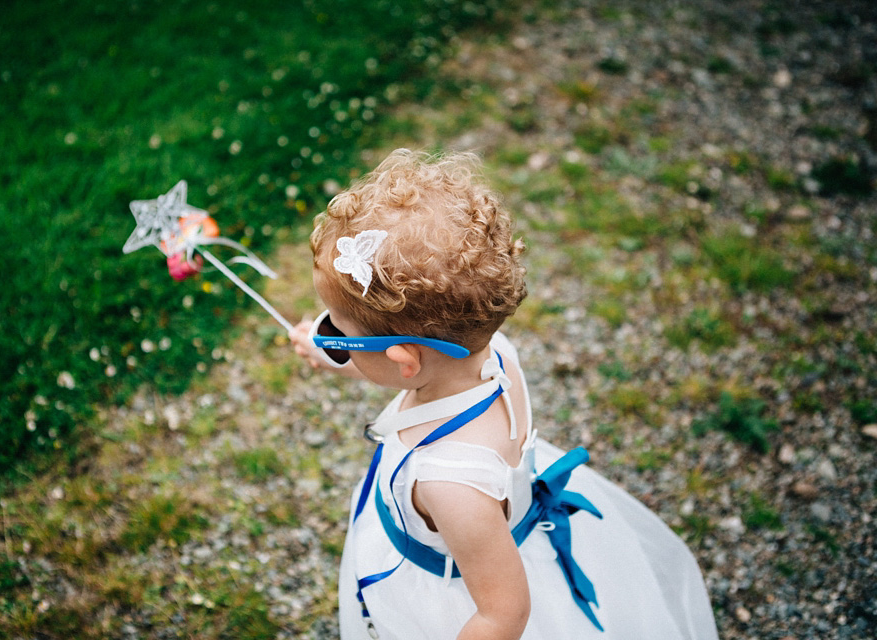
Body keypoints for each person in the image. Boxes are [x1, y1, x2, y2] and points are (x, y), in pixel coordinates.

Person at [289, 149, 719, 640]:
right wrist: (336, 351)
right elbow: (400, 368)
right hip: (500, 534)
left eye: (336, 331)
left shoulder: (448, 481)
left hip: (452, 600)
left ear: (402, 359)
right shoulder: (492, 355)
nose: (328, 338)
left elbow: (503, 613)